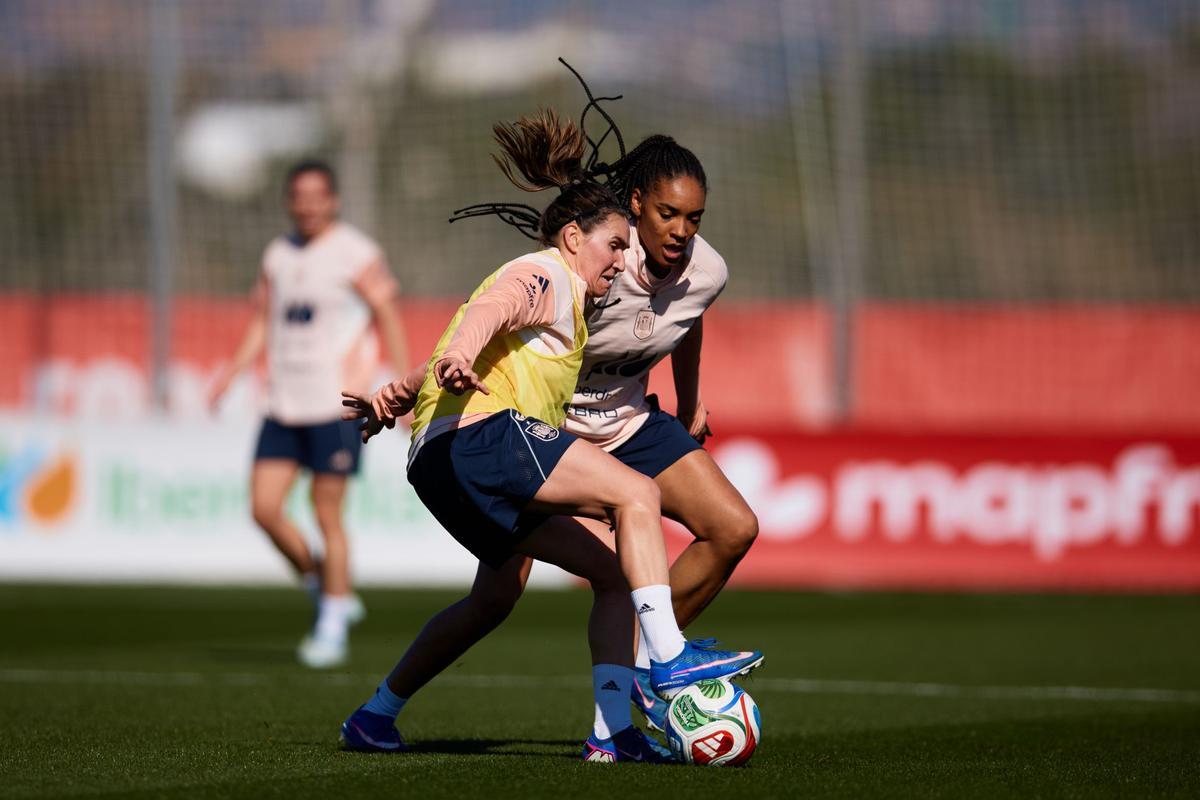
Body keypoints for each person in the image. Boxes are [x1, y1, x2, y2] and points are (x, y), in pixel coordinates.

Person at [338, 108, 761, 761]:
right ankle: (669, 659)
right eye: (616, 245)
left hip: (452, 463)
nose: (623, 260)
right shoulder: (547, 274)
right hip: (485, 440)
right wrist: (456, 357)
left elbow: (477, 339)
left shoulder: (595, 297)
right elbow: (490, 309)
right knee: (635, 498)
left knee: (581, 581)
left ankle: (384, 716)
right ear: (573, 237)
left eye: (627, 249)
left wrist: (401, 391)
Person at [208, 159, 408, 669]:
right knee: (264, 509)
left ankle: (333, 623)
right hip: (283, 402)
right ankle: (326, 586)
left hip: (334, 404)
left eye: (317, 195)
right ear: (288, 201)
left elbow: (387, 312)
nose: (307, 204)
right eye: (299, 195)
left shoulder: (356, 252)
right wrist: (231, 373)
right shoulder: (277, 255)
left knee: (327, 515)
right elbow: (263, 317)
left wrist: (405, 384)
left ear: (332, 200)